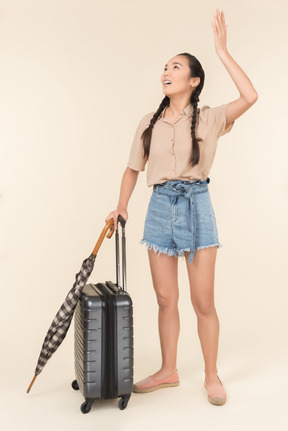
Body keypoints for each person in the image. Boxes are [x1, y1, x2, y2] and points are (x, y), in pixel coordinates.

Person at [105, 8, 258, 406]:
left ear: (194, 80)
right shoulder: (148, 122)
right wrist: (120, 206)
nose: (165, 72)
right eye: (164, 67)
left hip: (196, 206)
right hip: (159, 208)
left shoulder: (210, 119)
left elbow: (250, 96)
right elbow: (131, 169)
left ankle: (212, 375)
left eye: (175, 67)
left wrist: (222, 52)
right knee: (165, 299)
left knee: (202, 301)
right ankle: (168, 370)